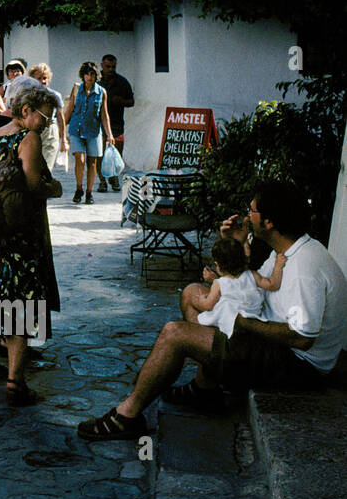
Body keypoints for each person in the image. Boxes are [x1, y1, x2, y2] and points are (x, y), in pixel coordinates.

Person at [78, 181, 347, 440]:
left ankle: (128, 415)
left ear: (269, 222)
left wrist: (242, 324)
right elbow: (253, 285)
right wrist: (237, 244)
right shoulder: (288, 250)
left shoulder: (303, 270)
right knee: (193, 293)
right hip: (272, 340)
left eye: (252, 210)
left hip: (297, 365)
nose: (246, 216)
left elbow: (303, 338)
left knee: (175, 334)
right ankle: (206, 386)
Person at [0, 87, 63, 405]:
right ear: (27, 111)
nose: (47, 125)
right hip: (15, 232)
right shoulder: (28, 139)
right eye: (45, 117)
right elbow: (33, 185)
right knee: (20, 298)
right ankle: (15, 382)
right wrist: (55, 187)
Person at [185, 237, 266, 339]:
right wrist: (278, 268)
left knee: (201, 317)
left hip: (230, 321)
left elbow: (207, 306)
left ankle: (196, 334)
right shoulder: (253, 275)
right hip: (253, 316)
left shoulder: (219, 283)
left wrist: (202, 299)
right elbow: (273, 284)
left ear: (217, 265)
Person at [63, 61, 114, 205]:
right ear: (83, 75)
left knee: (92, 163)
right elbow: (69, 109)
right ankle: (79, 188)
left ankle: (89, 192)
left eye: (92, 74)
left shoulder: (101, 92)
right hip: (76, 129)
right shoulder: (76, 89)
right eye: (87, 74)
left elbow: (104, 115)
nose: (89, 77)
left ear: (96, 75)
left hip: (93, 130)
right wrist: (61, 130)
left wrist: (109, 134)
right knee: (80, 159)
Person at [96, 54, 134, 192]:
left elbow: (131, 101)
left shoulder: (122, 82)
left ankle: (114, 178)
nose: (111, 69)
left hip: (117, 124)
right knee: (99, 153)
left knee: (116, 153)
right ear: (102, 66)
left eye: (113, 67)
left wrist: (121, 101)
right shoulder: (96, 81)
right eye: (108, 66)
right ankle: (102, 181)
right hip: (98, 124)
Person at [27, 63, 69, 174]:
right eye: (39, 78)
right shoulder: (27, 96)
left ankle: (42, 189)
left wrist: (63, 139)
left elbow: (60, 118)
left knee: (46, 167)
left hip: (50, 131)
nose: (43, 81)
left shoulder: (55, 95)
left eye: (44, 78)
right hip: (32, 132)